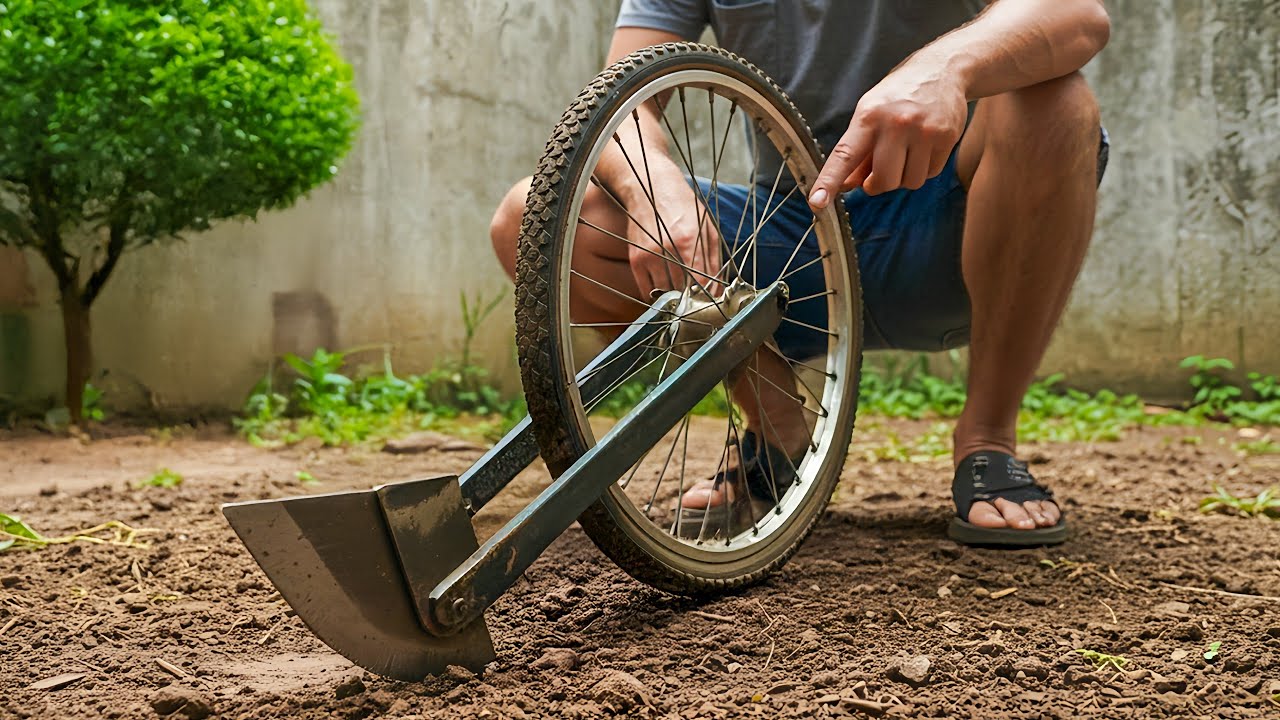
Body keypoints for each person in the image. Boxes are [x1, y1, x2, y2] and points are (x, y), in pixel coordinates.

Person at [490, 0, 1111, 546]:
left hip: (948, 230)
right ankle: (774, 428)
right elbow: (620, 99)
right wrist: (653, 188)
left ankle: (987, 440)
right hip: (789, 245)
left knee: (1057, 102)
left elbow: (1075, 14)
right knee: (531, 218)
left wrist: (945, 67)